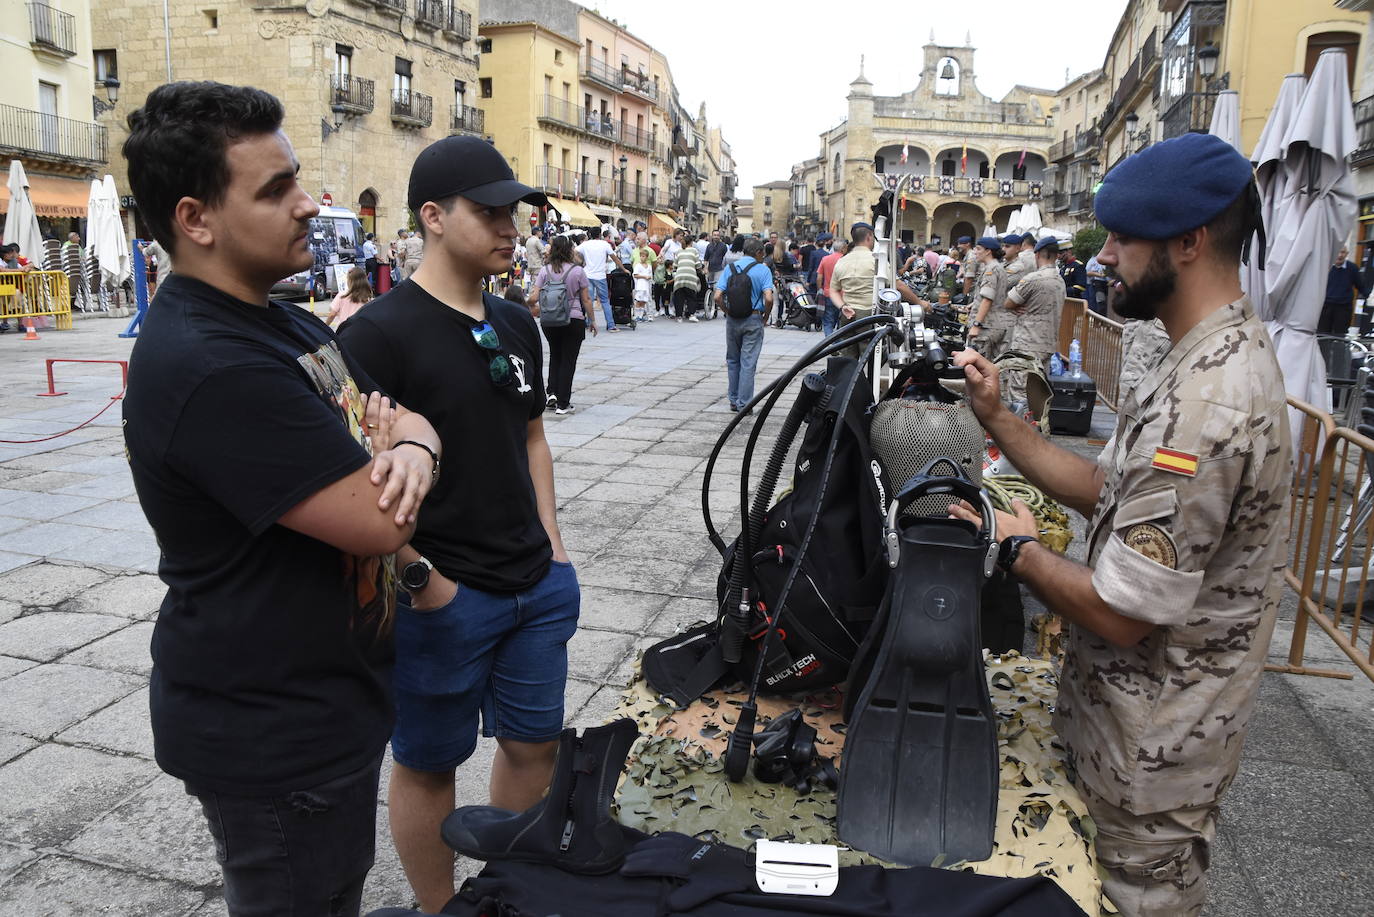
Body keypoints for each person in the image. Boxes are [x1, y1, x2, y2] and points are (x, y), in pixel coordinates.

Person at [121, 81, 441, 917]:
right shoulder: (213, 361)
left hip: (325, 702)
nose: (308, 205)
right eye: (275, 190)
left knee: (332, 888)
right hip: (271, 730)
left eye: (296, 179)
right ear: (196, 218)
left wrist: (407, 443)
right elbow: (382, 517)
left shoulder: (284, 321)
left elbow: (402, 420)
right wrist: (402, 451)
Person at [950, 132, 1291, 917]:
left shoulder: (1210, 405)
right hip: (1121, 728)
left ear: (1190, 240)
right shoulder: (1194, 354)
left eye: (1125, 238)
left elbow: (1123, 612)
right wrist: (1000, 419)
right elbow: (1111, 489)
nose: (1104, 257)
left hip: (1151, 758)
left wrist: (1016, 548)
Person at [336, 135, 579, 912]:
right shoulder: (376, 334)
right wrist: (420, 577)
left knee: (534, 743)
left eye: (515, 210)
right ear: (434, 217)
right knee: (428, 759)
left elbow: (532, 435)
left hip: (534, 581)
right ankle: (441, 907)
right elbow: (352, 473)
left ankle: (499, 894)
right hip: (441, 590)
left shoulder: (514, 323)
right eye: (490, 211)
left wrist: (556, 545)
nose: (511, 226)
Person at [530, 233, 597, 413]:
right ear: (569, 250)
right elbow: (587, 300)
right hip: (573, 319)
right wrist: (592, 320)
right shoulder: (577, 271)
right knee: (568, 360)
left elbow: (534, 297)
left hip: (550, 320)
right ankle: (563, 403)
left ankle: (551, 393)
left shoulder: (545, 270)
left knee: (555, 355)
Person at [1003, 237, 1066, 404]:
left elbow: (1008, 302)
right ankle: (1037, 428)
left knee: (1019, 393)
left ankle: (1018, 429)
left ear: (1037, 254)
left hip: (1027, 346)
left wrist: (1016, 308)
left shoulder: (1033, 279)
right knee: (1038, 392)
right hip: (1047, 346)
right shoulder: (1060, 281)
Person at [714, 237, 774, 412]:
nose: (763, 255)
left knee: (733, 360)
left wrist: (727, 311)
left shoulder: (730, 268)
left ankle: (733, 400)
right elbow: (769, 298)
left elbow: (717, 296)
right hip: (753, 318)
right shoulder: (763, 270)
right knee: (748, 362)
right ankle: (744, 404)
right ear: (758, 253)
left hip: (733, 319)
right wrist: (765, 316)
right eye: (762, 252)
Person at [966, 236, 1010, 359]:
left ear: (988, 251)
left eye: (979, 249)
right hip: (996, 324)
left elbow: (987, 299)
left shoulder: (991, 269)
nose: (975, 252)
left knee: (977, 368)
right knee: (990, 366)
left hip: (986, 326)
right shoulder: (998, 267)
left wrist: (976, 325)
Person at [575, 224, 623, 332]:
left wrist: (579, 262)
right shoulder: (604, 244)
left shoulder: (585, 244)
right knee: (605, 301)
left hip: (587, 275)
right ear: (600, 234)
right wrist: (623, 269)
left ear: (590, 234)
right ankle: (611, 325)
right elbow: (615, 258)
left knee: (589, 300)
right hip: (600, 276)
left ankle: (589, 323)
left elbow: (574, 251)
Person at [1319, 245, 1367, 334]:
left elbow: (1360, 285)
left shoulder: (1352, 268)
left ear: (1346, 254)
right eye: (1338, 252)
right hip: (1325, 306)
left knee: (1340, 335)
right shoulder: (1325, 266)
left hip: (1343, 308)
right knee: (1322, 334)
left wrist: (1368, 297)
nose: (1340, 255)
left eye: (1343, 252)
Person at [816, 238, 847, 336]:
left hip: (828, 293)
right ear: (842, 249)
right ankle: (838, 345)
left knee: (828, 321)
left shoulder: (825, 259)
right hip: (843, 295)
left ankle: (829, 344)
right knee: (841, 321)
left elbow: (819, 277)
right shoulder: (846, 260)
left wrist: (820, 288)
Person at [672, 236, 702, 322]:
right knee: (691, 296)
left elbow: (675, 265)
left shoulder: (678, 251)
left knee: (679, 297)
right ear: (691, 242)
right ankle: (691, 314)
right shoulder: (694, 251)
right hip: (690, 276)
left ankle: (679, 316)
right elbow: (698, 265)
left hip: (679, 276)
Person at [704, 229, 728, 318]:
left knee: (716, 288)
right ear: (712, 236)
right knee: (710, 288)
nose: (716, 237)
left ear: (720, 236)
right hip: (710, 270)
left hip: (720, 269)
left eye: (717, 235)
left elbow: (726, 258)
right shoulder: (709, 246)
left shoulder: (723, 246)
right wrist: (705, 268)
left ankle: (718, 306)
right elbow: (706, 258)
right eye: (714, 235)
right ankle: (713, 308)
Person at [632, 244, 654, 322]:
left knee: (644, 300)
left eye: (644, 256)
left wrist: (649, 278)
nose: (642, 258)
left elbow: (650, 275)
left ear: (647, 257)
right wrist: (644, 277)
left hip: (646, 286)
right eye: (641, 256)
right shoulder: (638, 265)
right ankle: (637, 315)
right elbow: (636, 275)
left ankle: (641, 316)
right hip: (640, 285)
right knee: (639, 300)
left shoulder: (649, 266)